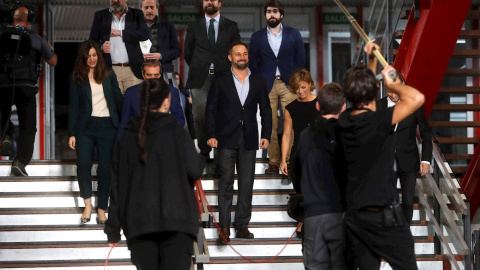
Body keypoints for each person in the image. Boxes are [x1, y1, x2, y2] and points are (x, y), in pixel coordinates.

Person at [105, 78, 205, 270]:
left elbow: (117, 186)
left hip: (139, 224)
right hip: (178, 222)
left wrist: (113, 228)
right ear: (167, 101)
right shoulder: (177, 133)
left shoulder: (126, 136)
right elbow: (195, 169)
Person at [338, 64, 424, 270]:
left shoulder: (342, 122)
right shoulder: (380, 120)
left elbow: (362, 97)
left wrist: (370, 61)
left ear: (348, 94)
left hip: (355, 217)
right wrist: (393, 80)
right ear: (377, 90)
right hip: (384, 215)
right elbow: (416, 98)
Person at [206, 41, 272, 244]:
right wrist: (211, 134)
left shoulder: (259, 81)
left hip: (250, 138)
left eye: (244, 54)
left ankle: (242, 225)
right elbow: (211, 110)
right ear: (230, 57)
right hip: (225, 137)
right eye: (237, 54)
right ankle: (224, 227)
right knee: (225, 182)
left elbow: (266, 110)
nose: (241, 57)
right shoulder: (220, 80)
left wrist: (266, 135)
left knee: (246, 183)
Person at [365, 40, 432, 223]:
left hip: (408, 161)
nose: (393, 94)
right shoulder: (378, 106)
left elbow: (426, 134)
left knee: (408, 202)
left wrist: (426, 159)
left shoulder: (414, 104)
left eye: (396, 90)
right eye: (389, 91)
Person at [68, 40, 123, 225]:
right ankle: (88, 206)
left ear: (98, 56)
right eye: (88, 55)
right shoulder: (77, 76)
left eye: (94, 55)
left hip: (108, 127)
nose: (92, 59)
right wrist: (72, 133)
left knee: (105, 169)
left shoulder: (108, 74)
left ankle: (102, 209)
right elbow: (73, 107)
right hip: (85, 128)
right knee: (83, 165)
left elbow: (118, 99)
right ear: (83, 58)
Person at [292, 82, 347, 270]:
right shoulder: (351, 134)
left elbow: (296, 171)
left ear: (317, 105)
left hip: (314, 214)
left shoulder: (306, 135)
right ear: (344, 106)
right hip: (342, 216)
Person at [249, 0, 306, 174]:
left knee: (291, 123)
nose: (271, 14)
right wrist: (259, 81)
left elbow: (301, 60)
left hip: (289, 84)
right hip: (267, 85)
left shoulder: (294, 34)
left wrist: (297, 82)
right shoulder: (257, 37)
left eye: (274, 11)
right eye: (268, 12)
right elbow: (253, 62)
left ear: (281, 15)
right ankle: (273, 162)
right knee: (270, 124)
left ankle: (288, 161)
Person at [0, 5, 57, 176]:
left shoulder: (2, 33)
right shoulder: (36, 38)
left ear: (13, 18)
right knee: (28, 127)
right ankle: (20, 162)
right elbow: (53, 61)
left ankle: (6, 137)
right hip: (26, 87)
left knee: (2, 115)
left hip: (3, 84)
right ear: (28, 21)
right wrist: (49, 48)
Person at [184, 0, 240, 159]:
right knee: (200, 115)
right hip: (199, 78)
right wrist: (200, 66)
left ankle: (222, 152)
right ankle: (204, 150)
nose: (209, 2)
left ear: (219, 3)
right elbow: (188, 53)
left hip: (224, 77)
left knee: (223, 115)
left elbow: (236, 51)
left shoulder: (231, 26)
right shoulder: (194, 26)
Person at [89, 0, 150, 93]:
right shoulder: (100, 15)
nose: (115, 1)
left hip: (133, 70)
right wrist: (101, 48)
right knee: (114, 105)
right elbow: (92, 41)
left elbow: (145, 34)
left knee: (134, 104)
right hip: (111, 69)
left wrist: (120, 33)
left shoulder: (136, 14)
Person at [117, 60, 184, 138]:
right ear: (143, 74)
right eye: (149, 75)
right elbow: (125, 122)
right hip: (139, 138)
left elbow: (180, 120)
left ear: (160, 74)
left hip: (165, 138)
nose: (153, 79)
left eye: (156, 75)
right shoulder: (131, 93)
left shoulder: (172, 91)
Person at [279, 69, 318, 186]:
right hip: (298, 154)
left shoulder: (321, 103)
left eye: (303, 87)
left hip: (318, 154)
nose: (300, 91)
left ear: (310, 84)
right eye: (296, 88)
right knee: (300, 192)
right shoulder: (290, 108)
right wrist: (284, 160)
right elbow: (286, 135)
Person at [139, 0, 181, 73]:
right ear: (140, 9)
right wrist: (138, 56)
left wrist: (161, 56)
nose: (149, 10)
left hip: (163, 70)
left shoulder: (168, 26)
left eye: (152, 7)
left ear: (157, 9)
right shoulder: (133, 27)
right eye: (146, 7)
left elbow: (177, 51)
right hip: (139, 70)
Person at [176, 72, 196, 139]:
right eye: (174, 79)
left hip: (186, 119)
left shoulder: (184, 92)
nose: (176, 81)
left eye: (177, 79)